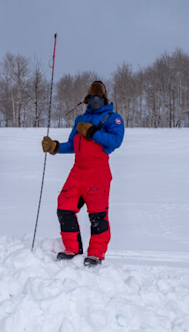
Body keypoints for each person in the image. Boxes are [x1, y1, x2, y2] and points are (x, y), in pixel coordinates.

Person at [41, 81, 125, 267]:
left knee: (98, 216)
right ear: (87, 99)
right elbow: (73, 144)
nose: (95, 100)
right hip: (77, 172)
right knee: (64, 206)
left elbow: (116, 141)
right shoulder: (80, 119)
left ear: (104, 99)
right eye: (92, 97)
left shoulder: (112, 118)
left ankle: (96, 254)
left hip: (98, 174)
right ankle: (72, 248)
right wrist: (55, 147)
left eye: (98, 97)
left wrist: (93, 132)